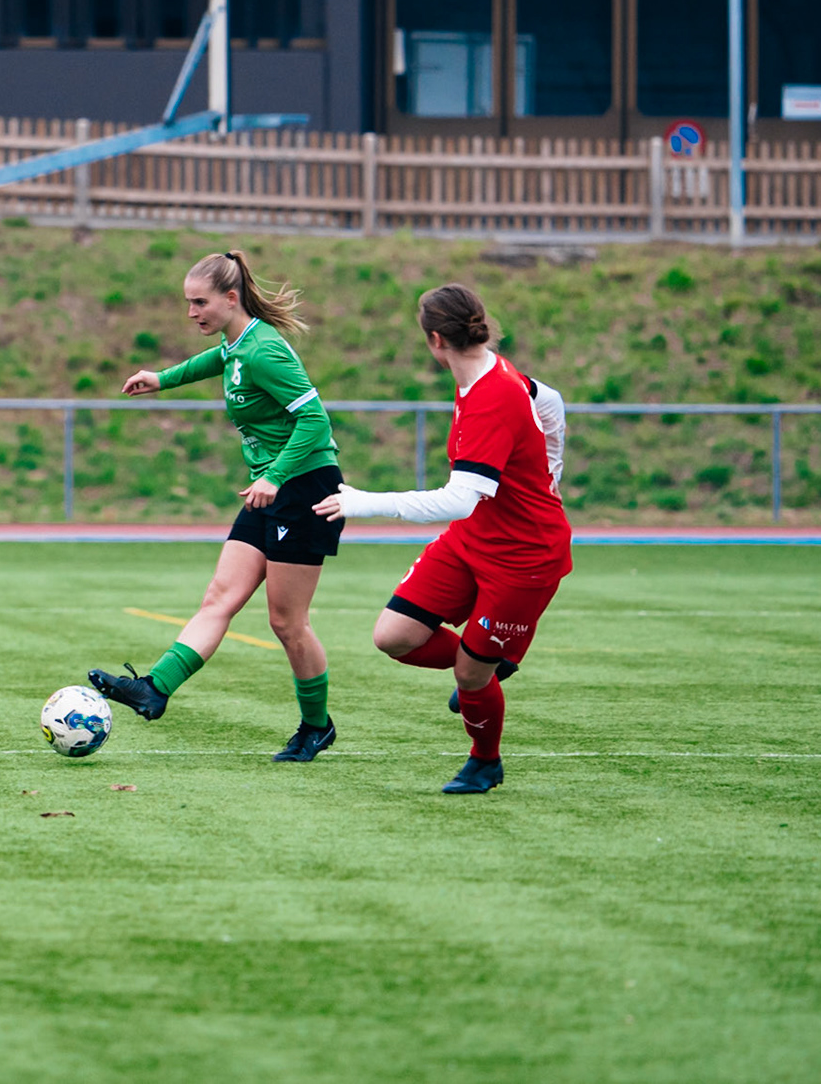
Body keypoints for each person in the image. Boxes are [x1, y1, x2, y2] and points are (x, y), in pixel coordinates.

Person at [87, 250, 346, 762]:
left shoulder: (264, 352)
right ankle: (155, 689)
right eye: (188, 303)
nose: (191, 313)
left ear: (231, 299)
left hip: (305, 488)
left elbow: (315, 421)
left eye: (199, 302)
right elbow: (215, 362)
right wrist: (161, 378)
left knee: (287, 622)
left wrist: (275, 475)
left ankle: (316, 726)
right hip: (267, 487)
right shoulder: (237, 346)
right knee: (219, 596)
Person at [314, 284, 571, 795]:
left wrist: (365, 501)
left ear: (434, 339)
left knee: (470, 676)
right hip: (474, 539)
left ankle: (485, 761)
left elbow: (458, 500)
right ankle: (488, 662)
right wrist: (553, 468)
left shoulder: (491, 395)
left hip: (524, 556)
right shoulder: (486, 371)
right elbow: (553, 402)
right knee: (394, 636)